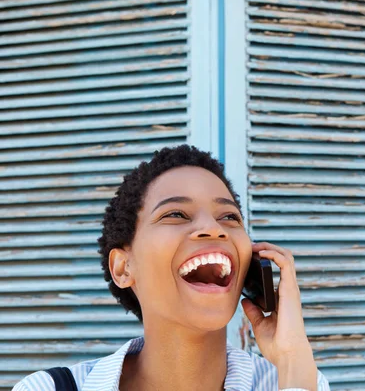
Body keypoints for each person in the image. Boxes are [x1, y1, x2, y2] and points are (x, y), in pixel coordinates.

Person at [13, 145, 329, 391]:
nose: (213, 229)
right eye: (175, 214)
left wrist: (291, 358)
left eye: (229, 217)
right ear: (123, 268)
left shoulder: (294, 379)